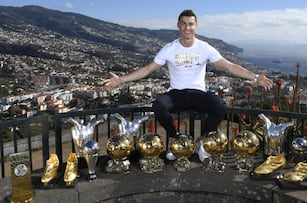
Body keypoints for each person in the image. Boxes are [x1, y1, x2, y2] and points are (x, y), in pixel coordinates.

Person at [104, 9, 273, 161]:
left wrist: (255, 77)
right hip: (176, 94)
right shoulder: (170, 49)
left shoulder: (204, 47)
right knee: (158, 106)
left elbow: (229, 66)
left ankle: (202, 141)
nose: (187, 28)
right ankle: (177, 140)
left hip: (198, 93)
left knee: (220, 106)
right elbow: (147, 69)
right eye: (183, 24)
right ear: (178, 26)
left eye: (190, 24)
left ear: (196, 26)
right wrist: (120, 80)